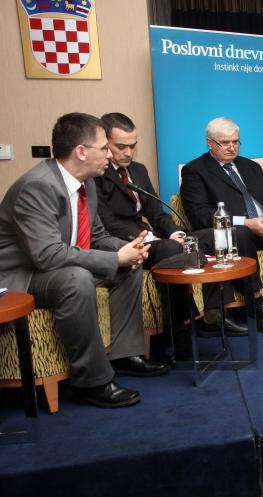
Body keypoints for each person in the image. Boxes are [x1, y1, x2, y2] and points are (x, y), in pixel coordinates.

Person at [0, 112, 168, 409]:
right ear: (81, 151)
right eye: (104, 148)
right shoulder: (37, 186)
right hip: (25, 276)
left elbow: (98, 235)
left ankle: (124, 355)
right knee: (76, 279)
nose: (110, 155)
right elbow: (47, 254)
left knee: (128, 268)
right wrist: (114, 257)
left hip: (62, 265)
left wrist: (129, 249)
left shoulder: (86, 183)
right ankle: (91, 381)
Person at [180, 117, 263, 333]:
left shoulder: (250, 166)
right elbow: (199, 215)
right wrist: (247, 223)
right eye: (225, 143)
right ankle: (257, 303)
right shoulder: (195, 170)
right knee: (240, 233)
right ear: (209, 142)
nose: (231, 147)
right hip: (237, 234)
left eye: (236, 142)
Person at [94, 112, 186, 268]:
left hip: (149, 237)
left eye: (132, 146)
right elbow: (108, 223)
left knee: (201, 239)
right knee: (172, 248)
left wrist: (176, 234)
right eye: (121, 147)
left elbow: (156, 213)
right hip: (124, 242)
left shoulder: (139, 170)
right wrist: (149, 238)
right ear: (105, 144)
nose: (128, 153)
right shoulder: (96, 174)